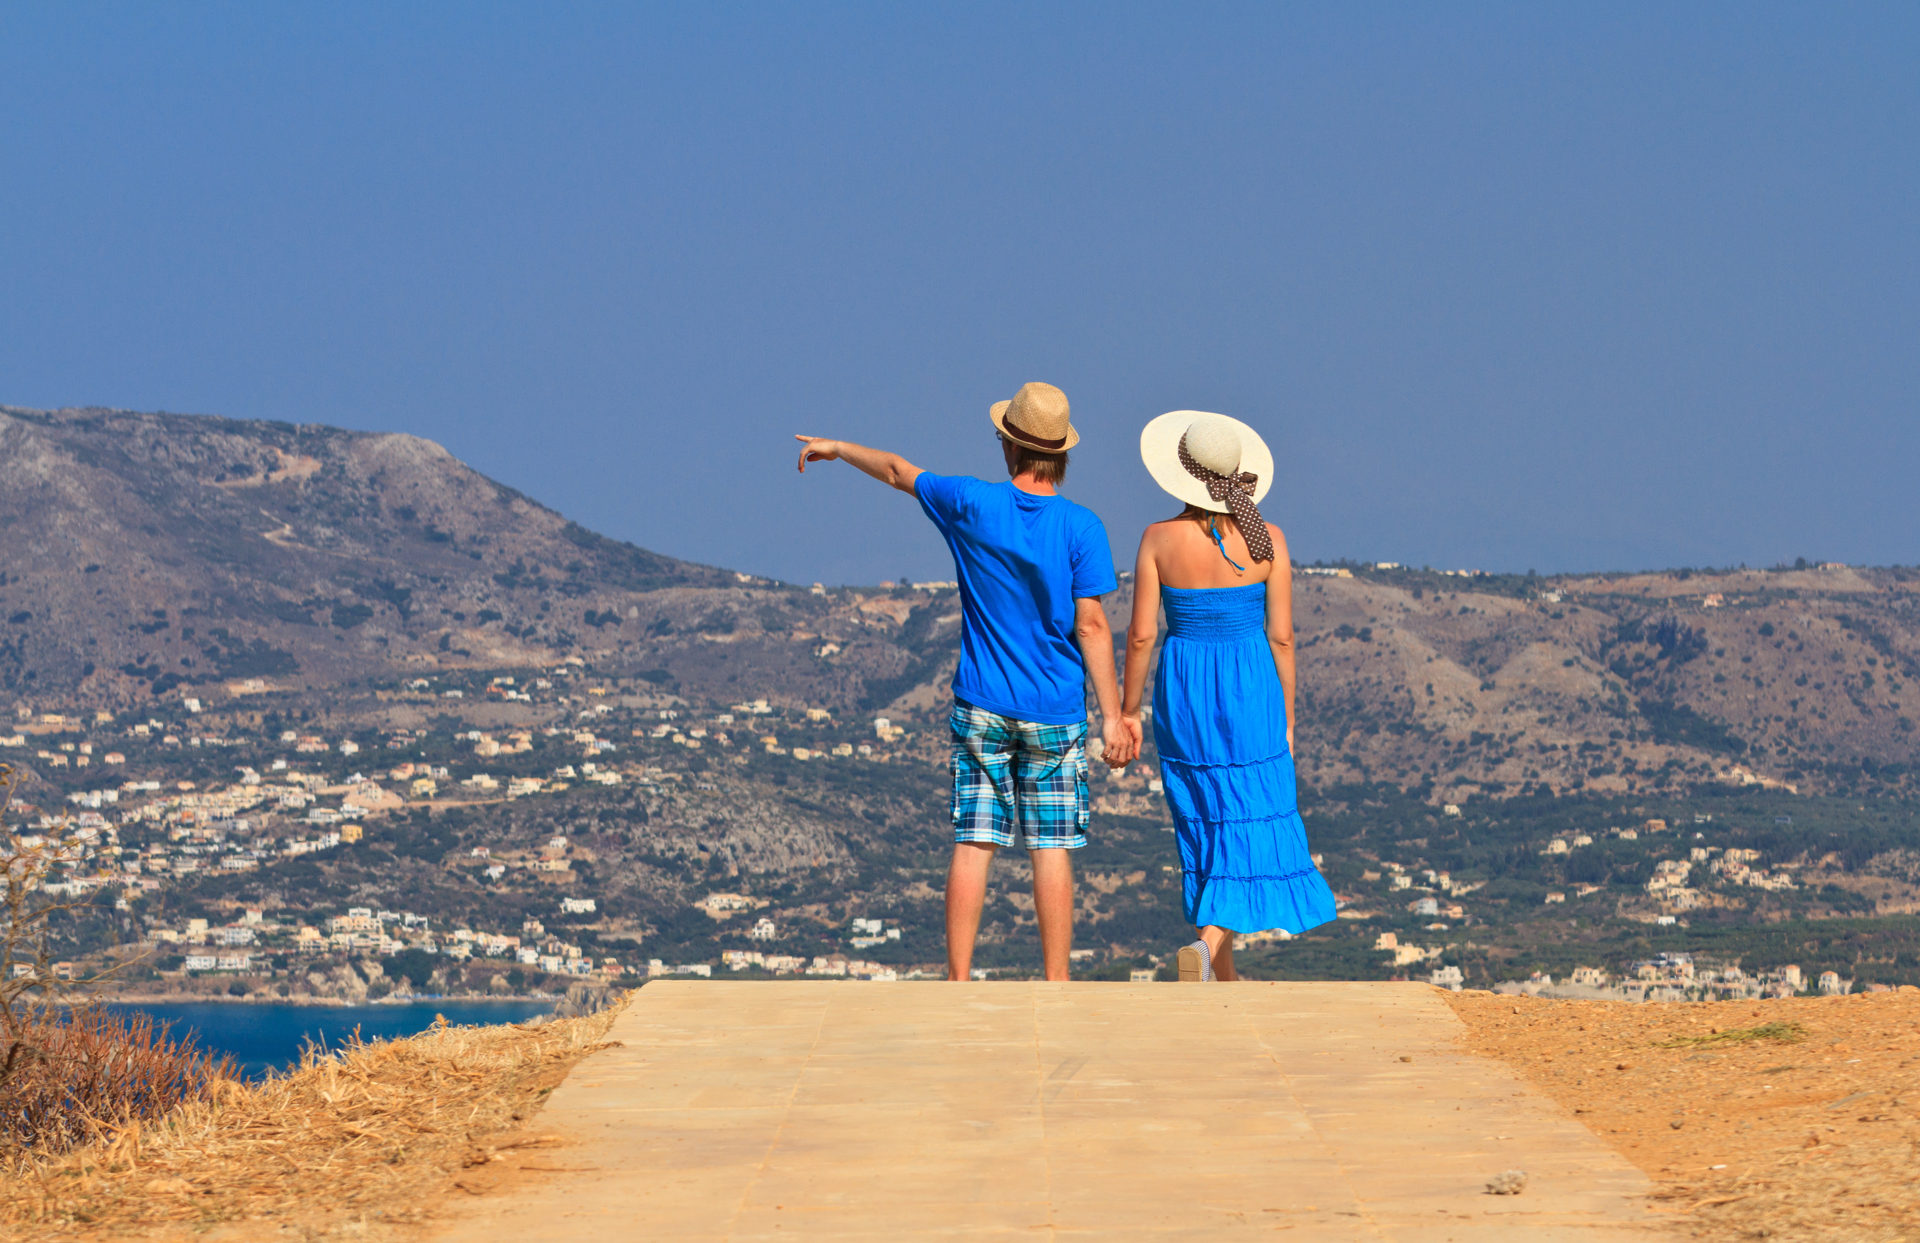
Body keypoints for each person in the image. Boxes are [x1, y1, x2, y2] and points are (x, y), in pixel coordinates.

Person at [795, 381, 1130, 981]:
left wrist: (839, 448)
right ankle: (1056, 985)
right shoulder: (1084, 529)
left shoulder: (971, 503)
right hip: (1055, 709)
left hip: (982, 703)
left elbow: (899, 472)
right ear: (1061, 455)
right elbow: (1093, 625)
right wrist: (1114, 716)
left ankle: (958, 979)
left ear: (1009, 445)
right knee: (1050, 849)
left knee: (974, 842)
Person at [1118, 411, 1336, 982]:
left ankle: (1219, 964)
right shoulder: (1269, 540)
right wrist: (1287, 715)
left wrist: (1127, 709)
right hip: (1252, 682)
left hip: (1186, 683)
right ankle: (1214, 945)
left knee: (1205, 809)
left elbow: (1141, 635)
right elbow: (1282, 636)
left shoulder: (1158, 539)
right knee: (1249, 809)